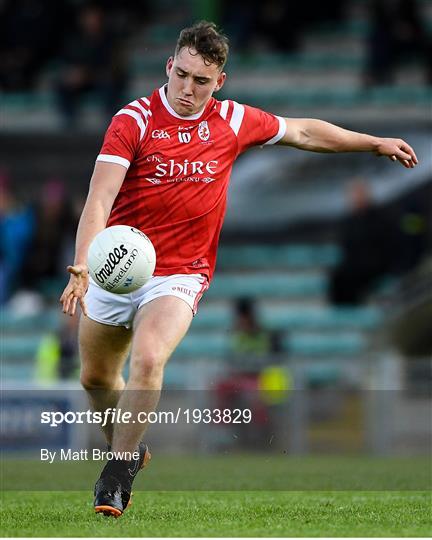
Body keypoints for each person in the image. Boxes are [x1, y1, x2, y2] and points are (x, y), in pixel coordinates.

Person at [59, 21, 418, 517]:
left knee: (147, 358)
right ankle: (127, 445)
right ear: (169, 66)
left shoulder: (231, 120)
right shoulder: (134, 121)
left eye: (200, 81)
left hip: (179, 273)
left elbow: (304, 131)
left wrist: (373, 142)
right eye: (181, 75)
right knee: (96, 380)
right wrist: (82, 264)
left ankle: (117, 474)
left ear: (219, 81)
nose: (187, 89)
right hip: (116, 266)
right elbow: (99, 199)